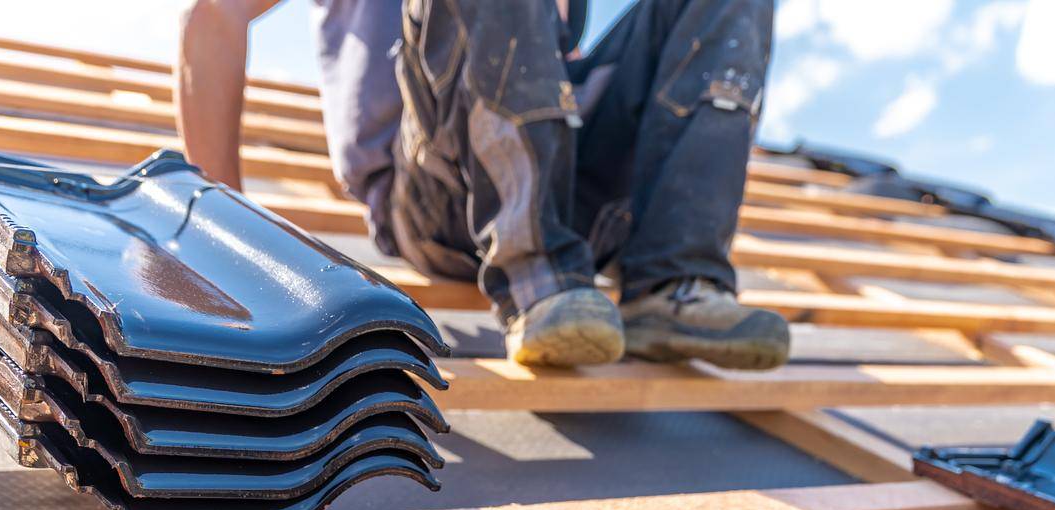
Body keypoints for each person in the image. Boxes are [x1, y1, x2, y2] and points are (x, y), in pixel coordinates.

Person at [177, 0, 789, 370]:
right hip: (438, 197)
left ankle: (672, 283)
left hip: (566, 190)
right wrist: (225, 234)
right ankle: (539, 276)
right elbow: (214, 14)